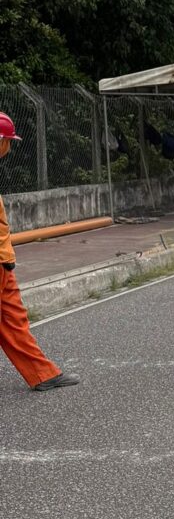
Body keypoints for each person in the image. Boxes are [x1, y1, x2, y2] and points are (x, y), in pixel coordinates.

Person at [0, 113, 79, 392]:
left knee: (13, 321)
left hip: (3, 261)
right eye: (7, 141)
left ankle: (42, 374)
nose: (9, 147)